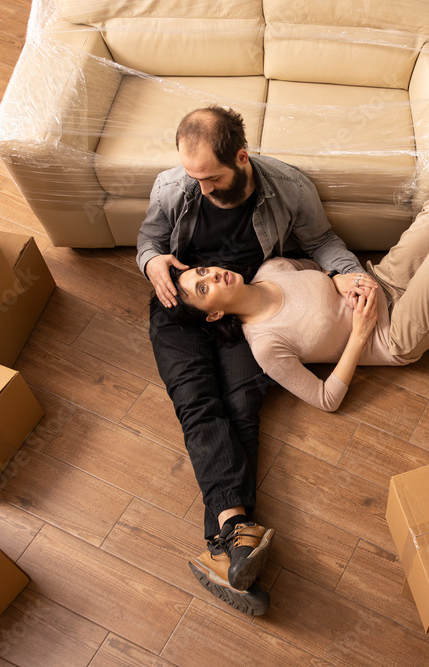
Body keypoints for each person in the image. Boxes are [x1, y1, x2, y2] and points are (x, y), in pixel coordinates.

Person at [137, 105, 372, 615]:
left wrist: (347, 273)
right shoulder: (174, 187)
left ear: (241, 157)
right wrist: (153, 260)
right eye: (191, 175)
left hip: (247, 310)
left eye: (210, 177)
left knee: (242, 405)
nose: (198, 187)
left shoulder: (288, 186)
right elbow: (149, 241)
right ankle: (233, 539)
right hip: (182, 307)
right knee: (199, 403)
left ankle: (227, 541)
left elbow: (323, 241)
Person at [164, 195, 429, 412]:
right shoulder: (266, 346)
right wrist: (360, 334)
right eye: (203, 288)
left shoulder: (272, 268)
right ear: (215, 314)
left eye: (203, 272)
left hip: (382, 281)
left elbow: (317, 270)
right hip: (392, 333)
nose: (214, 277)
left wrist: (336, 276)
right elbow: (327, 399)